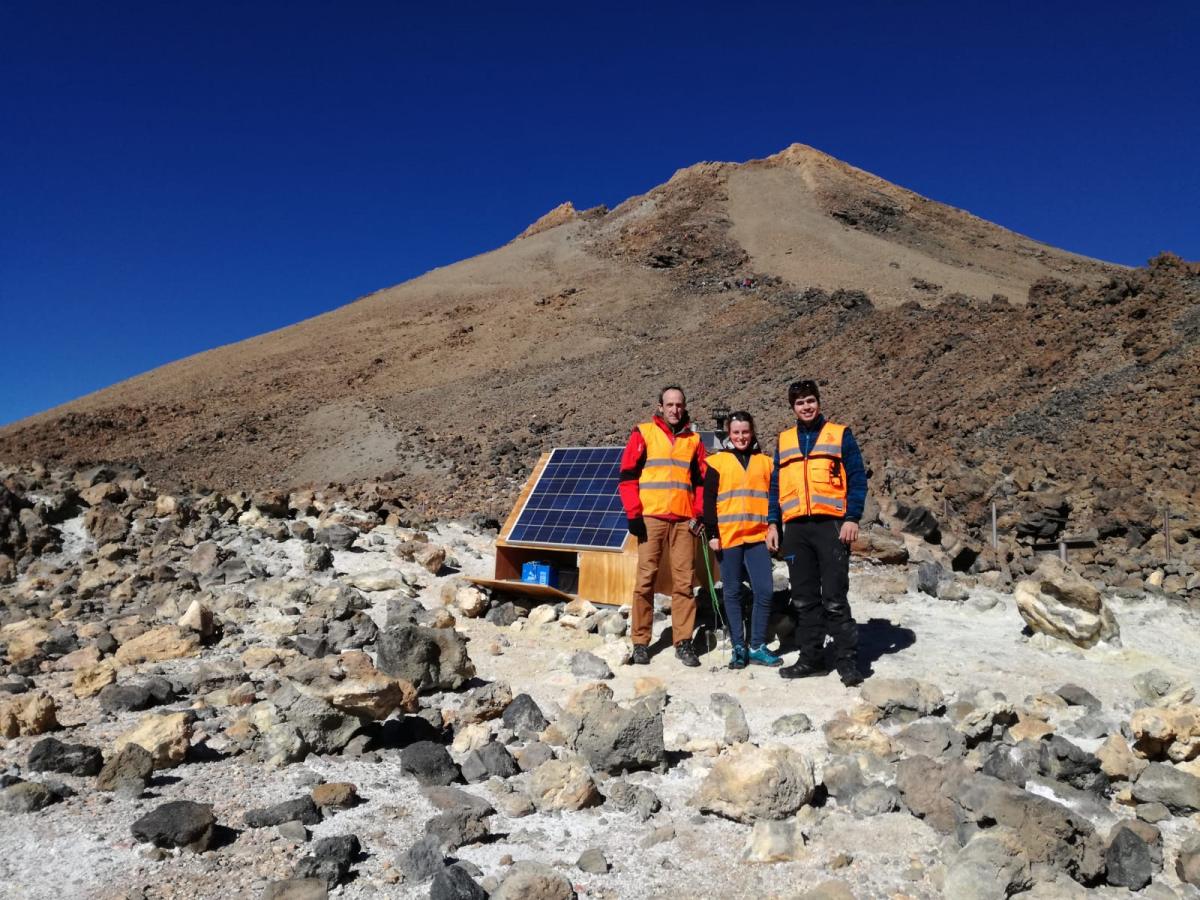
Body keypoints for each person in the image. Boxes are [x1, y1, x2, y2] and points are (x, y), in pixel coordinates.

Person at [766, 379, 868, 686]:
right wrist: (773, 523)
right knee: (804, 598)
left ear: (818, 402)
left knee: (835, 597)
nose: (806, 407)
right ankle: (811, 659)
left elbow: (857, 478)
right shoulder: (784, 441)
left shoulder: (839, 435)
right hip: (796, 529)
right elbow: (775, 486)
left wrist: (852, 517)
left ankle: (847, 660)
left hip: (831, 526)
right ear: (792, 408)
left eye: (810, 400)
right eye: (799, 403)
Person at [619, 385, 707, 667]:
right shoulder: (643, 432)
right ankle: (641, 642)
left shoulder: (694, 440)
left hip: (683, 521)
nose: (674, 409)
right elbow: (628, 476)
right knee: (645, 581)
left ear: (684, 407)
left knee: (684, 583)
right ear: (660, 406)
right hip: (651, 519)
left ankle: (683, 641)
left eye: (679, 405)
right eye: (669, 404)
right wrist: (634, 513)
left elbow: (702, 481)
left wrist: (699, 513)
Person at [702, 411, 782, 669]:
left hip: (757, 537)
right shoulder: (717, 462)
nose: (741, 437)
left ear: (753, 432)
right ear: (729, 433)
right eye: (735, 432)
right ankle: (738, 646)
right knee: (733, 592)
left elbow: (774, 500)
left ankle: (757, 645)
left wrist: (773, 526)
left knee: (764, 590)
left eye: (745, 432)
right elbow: (708, 501)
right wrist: (712, 534)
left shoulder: (766, 463)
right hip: (728, 537)